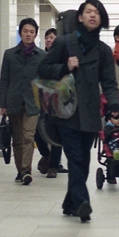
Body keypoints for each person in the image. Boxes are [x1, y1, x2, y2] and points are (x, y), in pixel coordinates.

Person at [38, 0, 119, 222]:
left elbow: (109, 82)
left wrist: (115, 105)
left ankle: (69, 202)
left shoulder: (103, 51)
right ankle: (83, 202)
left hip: (90, 111)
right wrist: (65, 66)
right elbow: (43, 68)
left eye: (97, 12)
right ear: (80, 17)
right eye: (88, 12)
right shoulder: (65, 43)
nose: (93, 15)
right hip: (66, 110)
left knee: (83, 161)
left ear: (102, 19)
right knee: (75, 158)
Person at [0, 18, 46, 183]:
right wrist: (2, 104)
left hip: (33, 103)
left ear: (35, 34)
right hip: (13, 101)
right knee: (17, 139)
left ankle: (26, 170)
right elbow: (4, 80)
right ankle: (20, 170)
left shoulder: (42, 56)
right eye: (25, 31)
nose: (28, 34)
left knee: (28, 136)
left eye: (32, 32)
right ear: (20, 32)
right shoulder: (10, 54)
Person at [35, 27, 66, 176]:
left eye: (52, 37)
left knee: (56, 133)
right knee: (37, 132)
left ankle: (53, 166)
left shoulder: (62, 59)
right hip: (40, 100)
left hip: (58, 102)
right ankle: (45, 155)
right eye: (47, 37)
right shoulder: (40, 56)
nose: (48, 40)